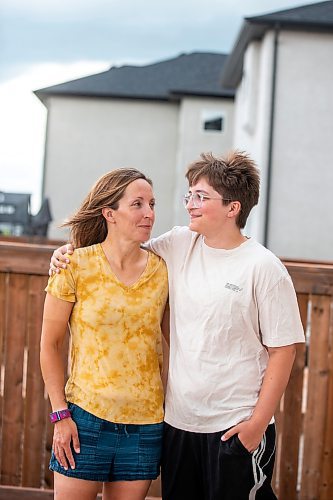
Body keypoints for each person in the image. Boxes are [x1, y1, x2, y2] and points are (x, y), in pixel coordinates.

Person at [50, 151, 305, 500]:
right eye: (189, 195)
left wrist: (256, 425)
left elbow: (285, 350)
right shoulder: (178, 244)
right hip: (178, 426)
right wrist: (66, 252)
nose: (190, 204)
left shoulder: (264, 267)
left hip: (235, 426)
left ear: (232, 209)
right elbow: (119, 248)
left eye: (201, 197)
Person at [41, 168, 169, 500]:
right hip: (84, 420)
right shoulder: (74, 266)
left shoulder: (164, 272)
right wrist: (60, 415)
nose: (149, 213)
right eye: (138, 204)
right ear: (109, 213)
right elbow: (50, 344)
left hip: (145, 425)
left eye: (152, 204)